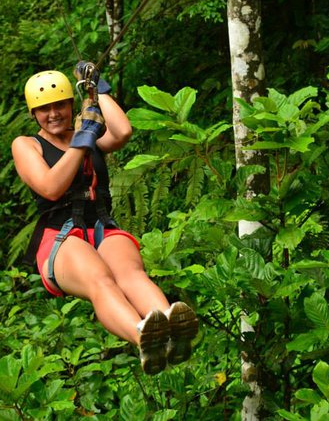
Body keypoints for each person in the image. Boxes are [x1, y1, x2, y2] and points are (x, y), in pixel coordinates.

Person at [11, 62, 198, 374]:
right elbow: (51, 187)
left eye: (60, 105)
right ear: (33, 114)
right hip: (60, 237)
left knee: (132, 275)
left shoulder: (90, 132)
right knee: (102, 281)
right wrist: (83, 137)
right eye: (45, 109)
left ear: (71, 105)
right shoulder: (27, 144)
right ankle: (144, 337)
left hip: (99, 227)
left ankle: (169, 327)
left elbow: (122, 131)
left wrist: (96, 88)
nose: (54, 114)